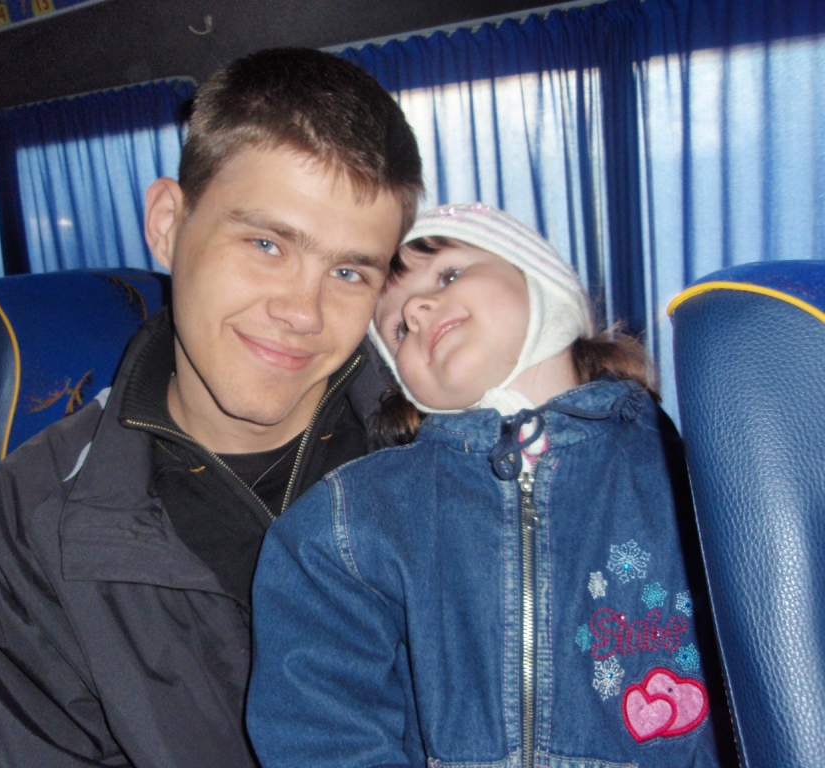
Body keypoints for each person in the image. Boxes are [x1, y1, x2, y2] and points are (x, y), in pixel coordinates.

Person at [0, 48, 422, 767]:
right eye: (266, 243)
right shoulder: (31, 526)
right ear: (167, 224)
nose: (303, 312)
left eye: (348, 271)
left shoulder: (444, 458)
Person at [247, 203, 735, 767]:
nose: (418, 311)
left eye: (448, 274)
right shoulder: (352, 518)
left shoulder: (694, 480)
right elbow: (320, 724)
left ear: (542, 279)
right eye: (397, 329)